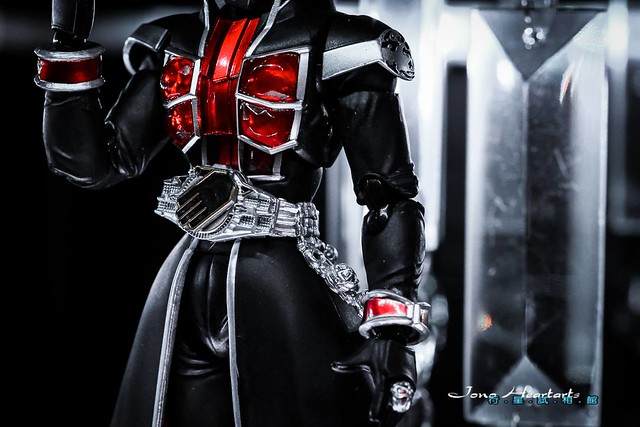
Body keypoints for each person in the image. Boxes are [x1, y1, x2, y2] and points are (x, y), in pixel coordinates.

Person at [35, 1, 429, 426]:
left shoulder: (337, 42)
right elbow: (96, 164)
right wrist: (68, 45)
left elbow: (387, 195)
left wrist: (393, 331)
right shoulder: (173, 40)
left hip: (276, 272)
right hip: (188, 274)